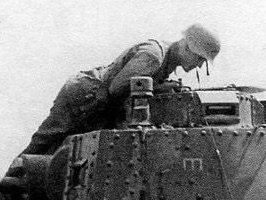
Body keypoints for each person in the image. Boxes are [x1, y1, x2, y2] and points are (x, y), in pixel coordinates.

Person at [19, 23, 221, 157]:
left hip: (96, 99)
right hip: (84, 95)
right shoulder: (154, 56)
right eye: (199, 58)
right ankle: (4, 194)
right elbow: (117, 88)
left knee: (61, 152)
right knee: (44, 143)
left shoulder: (166, 60)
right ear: (186, 47)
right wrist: (157, 88)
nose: (200, 66)